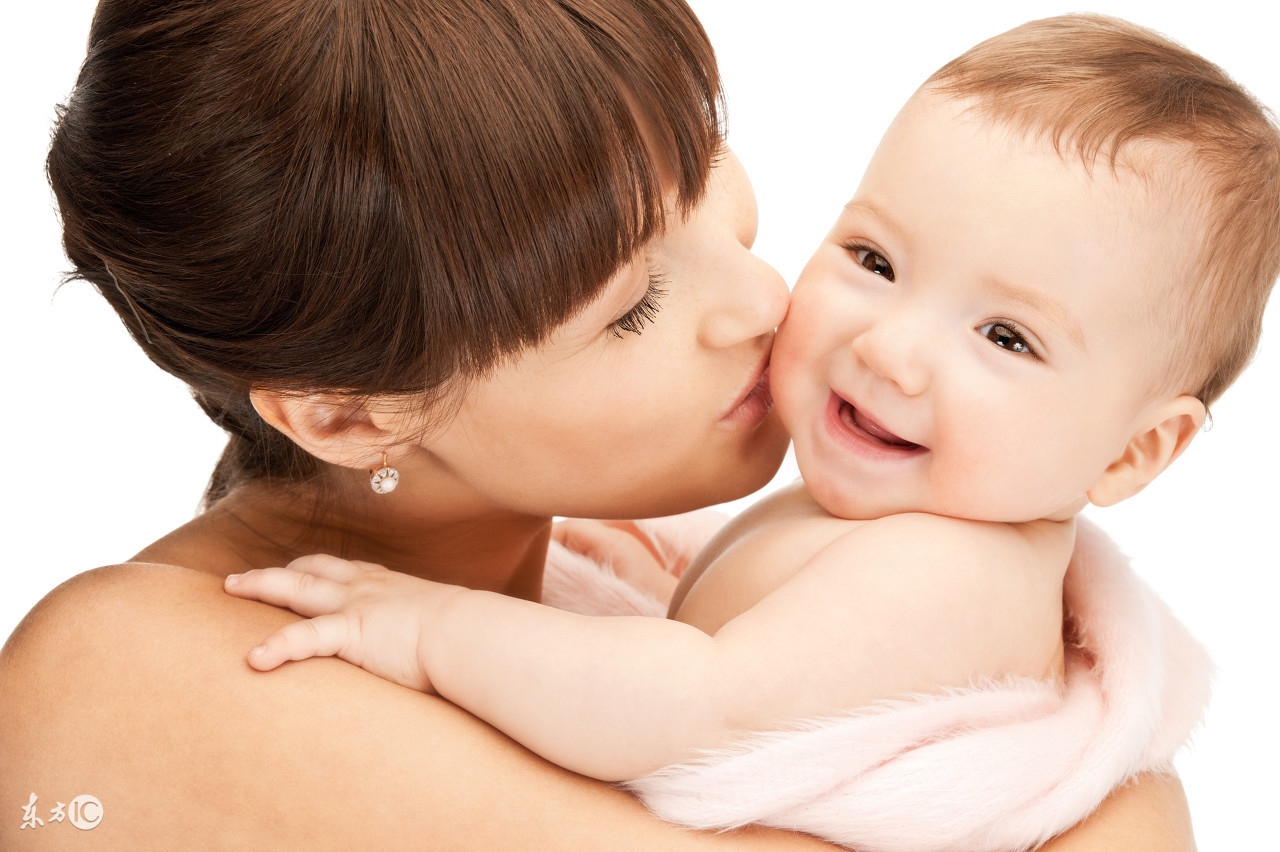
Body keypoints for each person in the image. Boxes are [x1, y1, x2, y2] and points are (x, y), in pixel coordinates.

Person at [0, 1, 1197, 848]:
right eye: (629, 309)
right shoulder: (123, 674)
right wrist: (1120, 777)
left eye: (704, 165)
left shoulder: (614, 583)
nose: (758, 302)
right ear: (351, 414)